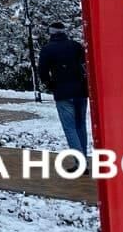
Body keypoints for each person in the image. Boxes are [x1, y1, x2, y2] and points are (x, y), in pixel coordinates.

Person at [38, 21, 89, 154]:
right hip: (81, 91)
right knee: (81, 125)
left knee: (70, 128)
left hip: (63, 93)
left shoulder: (47, 49)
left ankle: (80, 161)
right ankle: (83, 157)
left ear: (51, 33)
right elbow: (86, 65)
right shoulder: (76, 46)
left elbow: (42, 72)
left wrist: (50, 85)